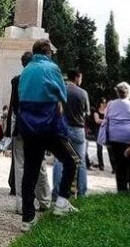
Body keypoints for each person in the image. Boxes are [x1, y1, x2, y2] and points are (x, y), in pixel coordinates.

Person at [18, 39, 79, 232]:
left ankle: (28, 218)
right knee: (72, 160)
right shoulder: (52, 68)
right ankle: (61, 202)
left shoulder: (26, 70)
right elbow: (63, 95)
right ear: (47, 52)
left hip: (28, 126)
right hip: (49, 125)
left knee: (30, 171)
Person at [6, 51, 51, 213]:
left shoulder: (17, 80)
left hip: (21, 125)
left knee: (20, 166)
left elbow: (13, 106)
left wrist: (8, 129)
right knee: (40, 165)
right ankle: (45, 200)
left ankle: (22, 204)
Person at [99, 82, 130, 192]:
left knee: (120, 164)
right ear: (129, 93)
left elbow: (106, 118)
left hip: (115, 137)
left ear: (117, 93)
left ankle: (122, 189)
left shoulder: (110, 104)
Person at [52, 69, 90, 198]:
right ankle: (81, 193)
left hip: (63, 128)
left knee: (59, 160)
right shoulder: (83, 93)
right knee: (81, 162)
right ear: (77, 77)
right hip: (78, 129)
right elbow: (86, 113)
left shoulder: (61, 90)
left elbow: (56, 109)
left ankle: (56, 192)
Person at [91, 98, 110, 171]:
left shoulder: (107, 111)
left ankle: (114, 166)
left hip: (106, 130)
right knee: (99, 148)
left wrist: (103, 121)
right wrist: (105, 121)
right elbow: (97, 121)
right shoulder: (96, 112)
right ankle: (101, 165)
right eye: (104, 102)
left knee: (109, 148)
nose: (105, 104)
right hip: (98, 130)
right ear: (100, 103)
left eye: (105, 102)